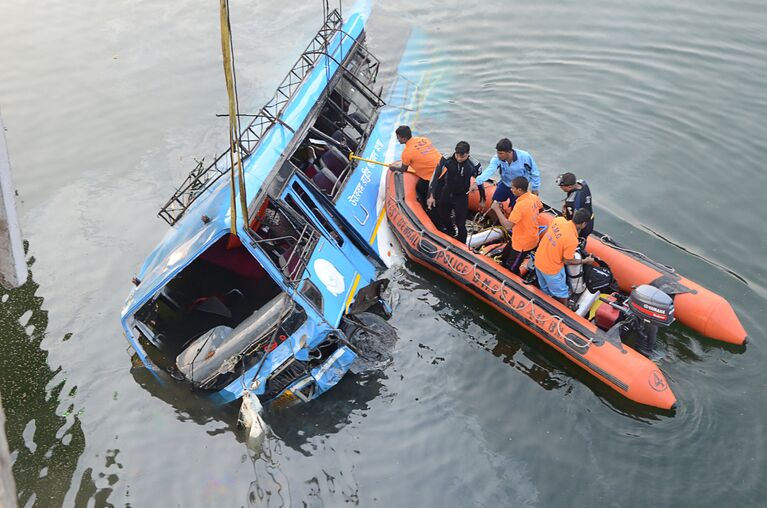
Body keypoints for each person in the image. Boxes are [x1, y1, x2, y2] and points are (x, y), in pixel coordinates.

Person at [426, 141, 485, 243]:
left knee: (461, 224)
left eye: (462, 157)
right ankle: (451, 232)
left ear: (468, 154)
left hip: (462, 196)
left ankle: (462, 245)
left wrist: (482, 199)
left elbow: (480, 182)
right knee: (443, 215)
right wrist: (430, 195)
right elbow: (435, 176)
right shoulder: (447, 158)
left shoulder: (474, 164)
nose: (459, 159)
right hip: (447, 191)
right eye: (457, 155)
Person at [534, 208, 594, 305]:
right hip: (551, 270)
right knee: (562, 294)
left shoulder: (558, 220)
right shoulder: (572, 239)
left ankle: (544, 304)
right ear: (583, 224)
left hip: (538, 261)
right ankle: (564, 310)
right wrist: (585, 261)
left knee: (544, 289)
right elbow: (567, 260)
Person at [489, 176, 543, 274]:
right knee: (504, 257)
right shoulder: (533, 197)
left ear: (519, 189)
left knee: (512, 268)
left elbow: (508, 226)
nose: (511, 189)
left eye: (512, 188)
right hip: (521, 237)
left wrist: (497, 209)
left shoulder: (520, 205)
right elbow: (540, 209)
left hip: (524, 243)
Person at [469, 138, 540, 210]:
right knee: (493, 204)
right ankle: (494, 219)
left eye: (501, 153)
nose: (498, 155)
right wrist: (476, 182)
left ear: (509, 152)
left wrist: (535, 188)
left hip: (519, 188)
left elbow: (534, 173)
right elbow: (489, 170)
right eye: (497, 152)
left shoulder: (525, 157)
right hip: (505, 183)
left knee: (516, 209)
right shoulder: (497, 159)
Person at [388, 125, 442, 207]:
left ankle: (427, 208)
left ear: (404, 139)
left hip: (434, 176)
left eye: (398, 137)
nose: (397, 139)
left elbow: (403, 169)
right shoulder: (423, 139)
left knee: (422, 190)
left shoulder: (407, 152)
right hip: (443, 168)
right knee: (421, 185)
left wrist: (393, 168)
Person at [557, 172, 594, 239]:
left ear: (570, 186)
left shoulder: (571, 202)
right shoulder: (582, 183)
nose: (560, 187)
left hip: (582, 228)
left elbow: (572, 222)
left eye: (562, 186)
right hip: (590, 219)